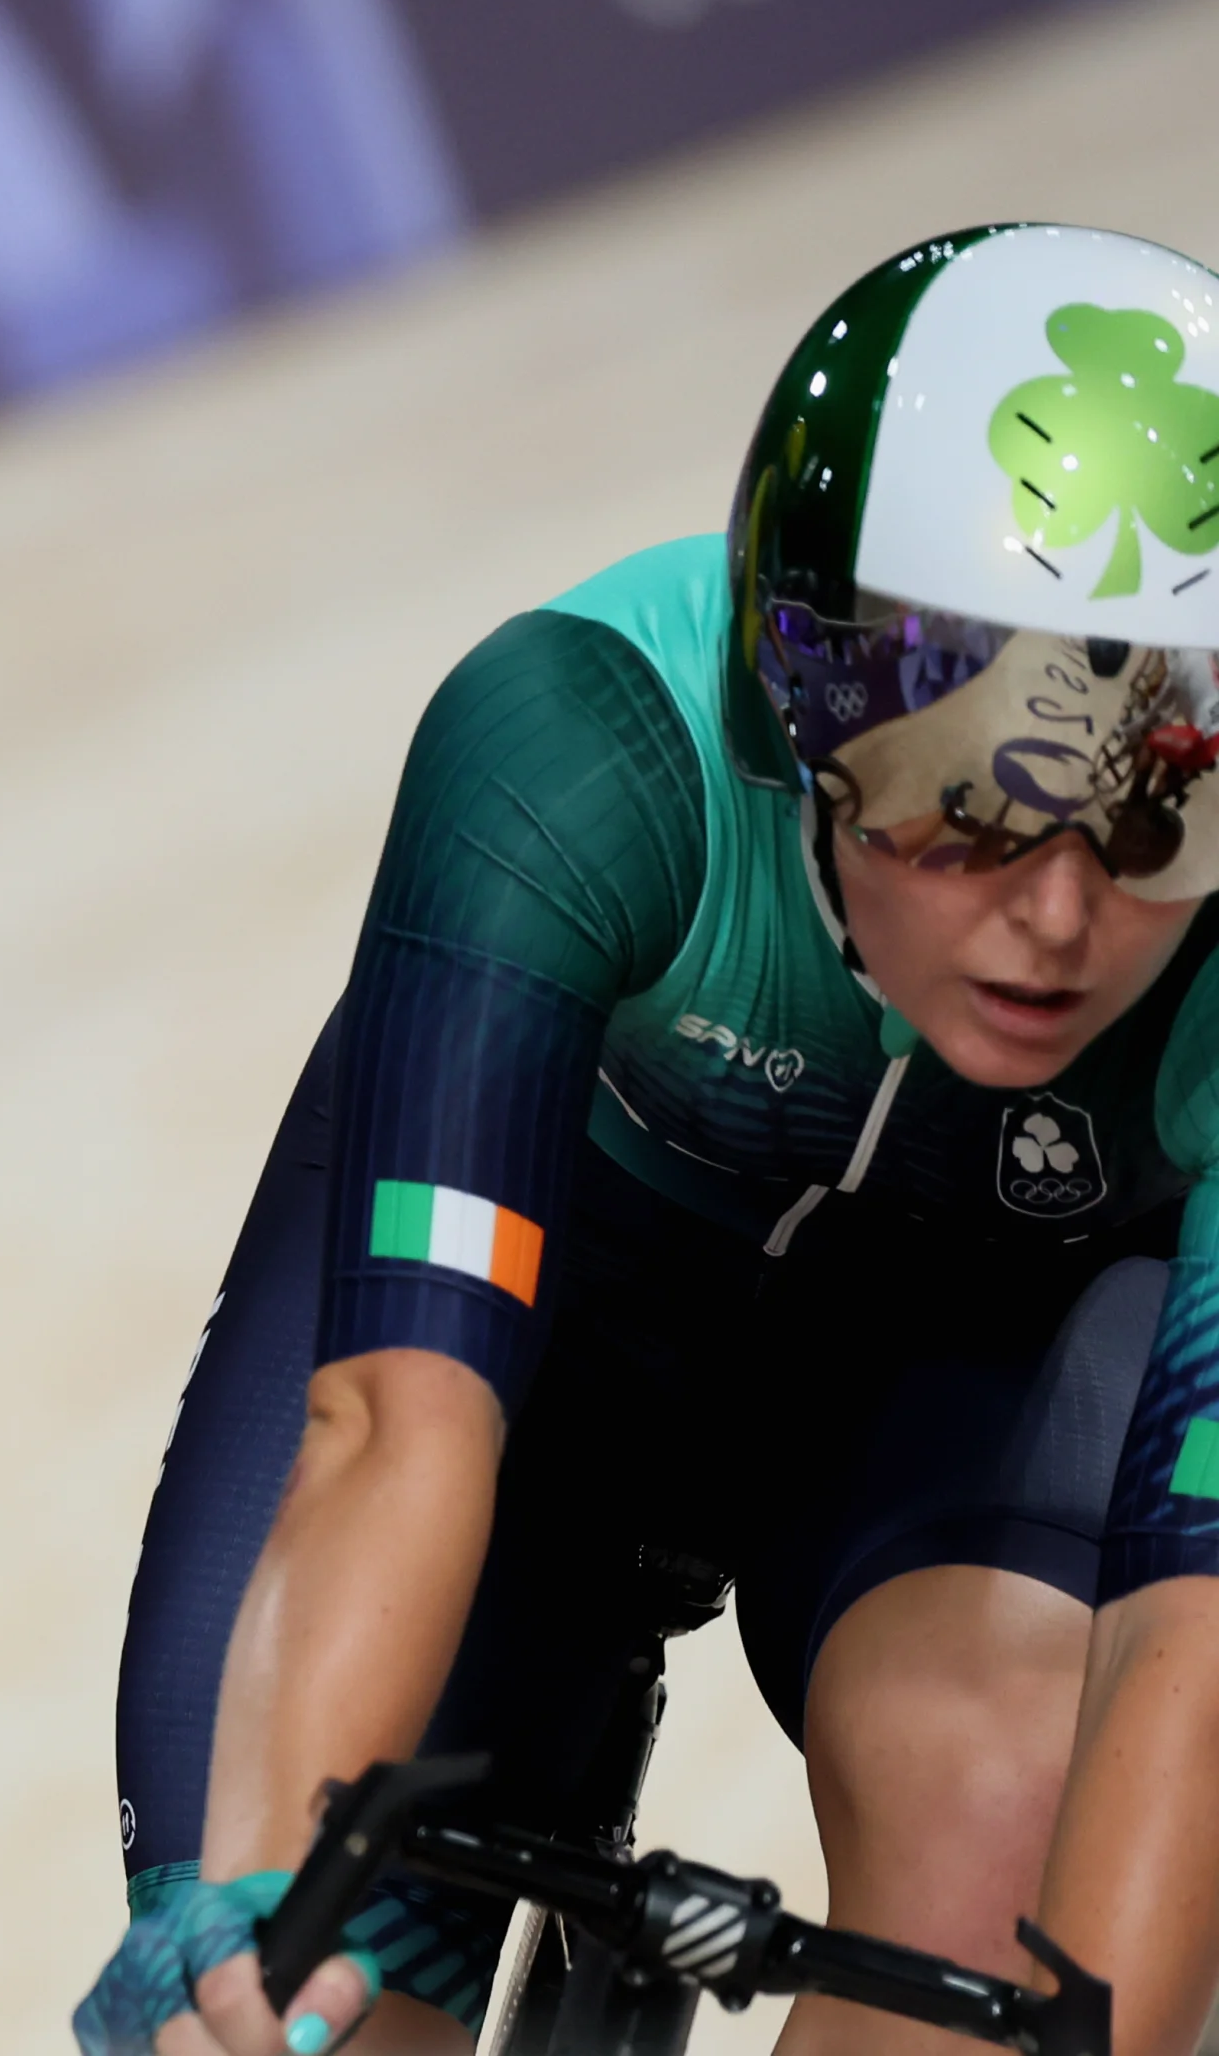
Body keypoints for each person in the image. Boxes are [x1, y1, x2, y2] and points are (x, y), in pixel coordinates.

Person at [79, 224, 1219, 2056]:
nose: (1063, 918)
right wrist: (259, 1939)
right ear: (806, 708)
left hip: (953, 1376)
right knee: (286, 1982)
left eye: (1163, 813)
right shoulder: (592, 744)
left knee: (1005, 1826)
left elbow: (1197, 1637)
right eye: (975, 797)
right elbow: (398, 1419)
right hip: (526, 1345)